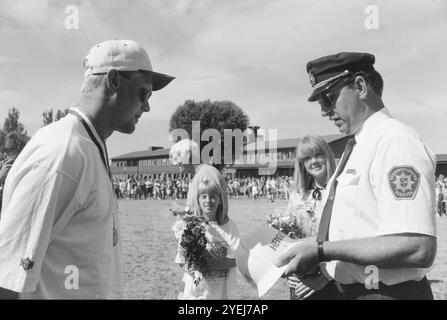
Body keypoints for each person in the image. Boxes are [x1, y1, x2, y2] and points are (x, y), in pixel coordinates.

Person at [0, 39, 174, 299]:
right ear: (113, 81)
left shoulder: (88, 146)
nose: (147, 106)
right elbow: (8, 278)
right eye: (144, 93)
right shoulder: (62, 153)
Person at [275, 52, 437, 300]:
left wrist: (321, 251)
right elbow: (358, 230)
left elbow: (416, 247)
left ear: (360, 86)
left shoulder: (395, 141)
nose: (324, 111)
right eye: (321, 104)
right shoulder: (359, 145)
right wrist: (328, 270)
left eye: (328, 99)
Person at [175, 165, 240, 299]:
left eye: (213, 196)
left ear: (220, 200)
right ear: (198, 200)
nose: (208, 201)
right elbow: (181, 260)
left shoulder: (229, 226)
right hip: (197, 293)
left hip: (221, 292)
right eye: (203, 196)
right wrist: (193, 271)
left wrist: (205, 266)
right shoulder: (191, 226)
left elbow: (234, 260)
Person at [286, 134, 338, 300]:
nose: (313, 161)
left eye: (318, 154)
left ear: (327, 155)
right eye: (307, 158)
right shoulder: (297, 195)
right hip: (301, 283)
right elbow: (288, 239)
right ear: (302, 164)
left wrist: (324, 277)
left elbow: (348, 238)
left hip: (334, 281)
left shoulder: (342, 190)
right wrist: (289, 271)